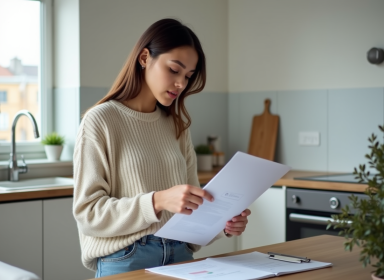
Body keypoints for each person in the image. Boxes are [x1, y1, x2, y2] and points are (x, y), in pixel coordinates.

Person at [72, 18, 251, 278]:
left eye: (188, 76)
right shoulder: (101, 120)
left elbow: (190, 211)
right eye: (174, 70)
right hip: (127, 259)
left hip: (182, 257)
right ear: (144, 57)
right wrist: (157, 201)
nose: (181, 83)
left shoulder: (176, 126)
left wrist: (222, 224)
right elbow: (88, 214)